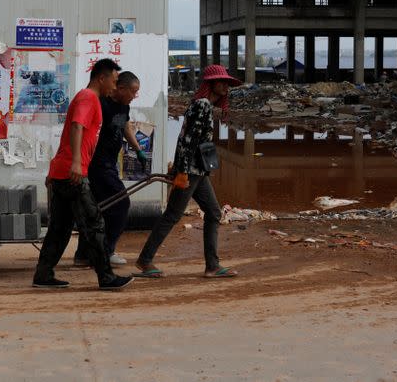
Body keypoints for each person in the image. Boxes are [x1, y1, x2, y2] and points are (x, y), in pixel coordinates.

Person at [32, 58, 134, 290]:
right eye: (114, 80)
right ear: (102, 78)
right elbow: (77, 126)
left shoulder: (91, 99)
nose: (115, 85)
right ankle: (106, 278)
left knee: (60, 228)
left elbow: (67, 133)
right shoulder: (88, 98)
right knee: (94, 223)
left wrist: (55, 168)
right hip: (73, 173)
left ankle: (43, 274)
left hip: (62, 171)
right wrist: (77, 163)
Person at [135, 64, 241, 279]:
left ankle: (212, 265)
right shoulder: (201, 106)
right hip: (190, 171)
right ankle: (145, 261)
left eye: (227, 83)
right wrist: (181, 172)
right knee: (173, 215)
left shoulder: (203, 106)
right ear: (210, 84)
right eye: (221, 82)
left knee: (213, 213)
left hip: (197, 171)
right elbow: (187, 142)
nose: (225, 86)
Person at [73, 71, 145, 267]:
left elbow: (124, 127)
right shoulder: (100, 103)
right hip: (97, 164)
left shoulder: (123, 106)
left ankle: (83, 254)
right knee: (120, 204)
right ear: (120, 88)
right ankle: (107, 250)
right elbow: (79, 127)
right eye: (133, 91)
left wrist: (138, 150)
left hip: (109, 163)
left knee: (97, 209)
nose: (134, 95)